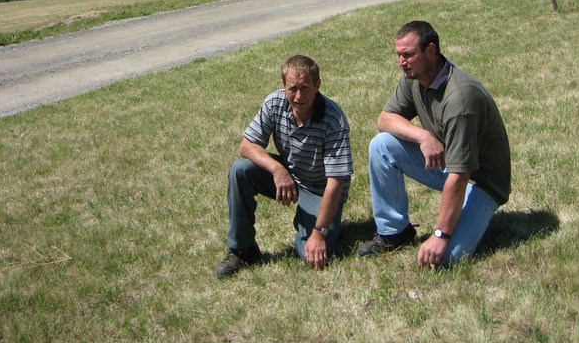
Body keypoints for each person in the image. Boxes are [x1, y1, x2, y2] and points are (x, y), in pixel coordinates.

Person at [358, 20, 510, 266]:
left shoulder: (460, 100)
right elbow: (385, 119)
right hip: (450, 164)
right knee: (381, 145)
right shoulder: (414, 77)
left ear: (430, 51)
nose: (401, 62)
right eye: (398, 55)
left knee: (448, 258)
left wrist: (440, 234)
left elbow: (460, 175)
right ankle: (393, 232)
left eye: (408, 54)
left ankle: (471, 216)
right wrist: (423, 136)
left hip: (481, 180)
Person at [216, 54, 353, 277]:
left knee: (312, 256)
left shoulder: (333, 119)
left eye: (305, 88)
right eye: (292, 88)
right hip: (291, 174)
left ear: (317, 85)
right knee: (240, 170)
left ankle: (313, 222)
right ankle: (243, 248)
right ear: (283, 85)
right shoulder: (274, 103)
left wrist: (318, 234)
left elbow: (336, 182)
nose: (299, 96)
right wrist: (278, 170)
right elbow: (246, 146)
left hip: (321, 189)